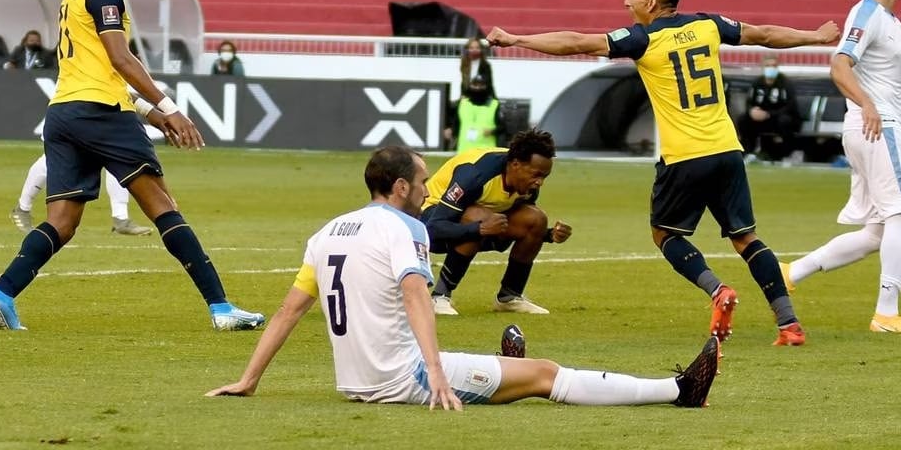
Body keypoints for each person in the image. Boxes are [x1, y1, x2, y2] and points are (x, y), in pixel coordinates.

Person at [205, 146, 720, 408]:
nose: (429, 193)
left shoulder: (328, 233)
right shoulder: (404, 229)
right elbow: (417, 299)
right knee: (546, 373)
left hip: (356, 382)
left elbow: (288, 310)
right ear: (401, 185)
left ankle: (495, 372)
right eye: (424, 183)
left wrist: (248, 380)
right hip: (405, 380)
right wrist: (435, 379)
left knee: (508, 373)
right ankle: (678, 391)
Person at [486, 0, 841, 345]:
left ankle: (718, 290)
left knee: (664, 234)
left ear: (651, 2)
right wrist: (816, 37)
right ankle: (789, 324)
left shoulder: (642, 39)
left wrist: (515, 37)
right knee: (746, 238)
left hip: (684, 156)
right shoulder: (709, 25)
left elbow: (576, 42)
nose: (627, 0)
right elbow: (766, 34)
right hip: (727, 149)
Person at [0, 0, 265, 332]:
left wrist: (153, 115)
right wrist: (171, 106)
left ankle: (0, 294)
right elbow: (120, 60)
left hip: (64, 113)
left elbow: (97, 70)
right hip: (101, 114)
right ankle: (221, 308)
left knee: (62, 221)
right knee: (163, 206)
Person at [781, 0, 901, 335]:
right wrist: (868, 105)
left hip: (871, 125)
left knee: (876, 232)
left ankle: (790, 272)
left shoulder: (891, 21)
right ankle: (887, 314)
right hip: (877, 127)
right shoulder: (867, 12)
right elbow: (839, 67)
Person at [9, 0, 152, 237]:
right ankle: (22, 207)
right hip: (78, 95)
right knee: (53, 161)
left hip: (95, 94)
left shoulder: (93, 8)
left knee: (115, 159)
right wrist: (159, 105)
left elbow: (118, 56)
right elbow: (115, 56)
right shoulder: (85, 7)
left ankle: (120, 218)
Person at [423, 129, 571, 316]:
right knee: (479, 217)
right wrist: (480, 229)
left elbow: (519, 227)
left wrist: (549, 235)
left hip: (478, 220)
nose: (540, 182)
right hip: (429, 217)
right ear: (516, 164)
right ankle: (439, 296)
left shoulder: (526, 185)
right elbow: (433, 228)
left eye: (544, 177)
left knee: (535, 219)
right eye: (537, 175)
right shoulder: (475, 175)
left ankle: (509, 297)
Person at [736, 56, 802, 162]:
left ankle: (785, 155)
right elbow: (749, 102)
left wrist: (769, 114)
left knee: (785, 121)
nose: (771, 68)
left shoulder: (785, 83)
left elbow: (791, 106)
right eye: (768, 66)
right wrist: (752, 111)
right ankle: (749, 153)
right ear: (762, 67)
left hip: (779, 117)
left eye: (773, 66)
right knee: (743, 119)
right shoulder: (757, 82)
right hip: (761, 118)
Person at [444, 74, 503, 152]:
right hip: (464, 151)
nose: (478, 88)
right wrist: (450, 130)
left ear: (486, 87)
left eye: (481, 85)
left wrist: (492, 131)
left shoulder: (494, 105)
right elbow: (456, 122)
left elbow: (502, 127)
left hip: (485, 152)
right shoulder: (463, 104)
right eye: (475, 85)